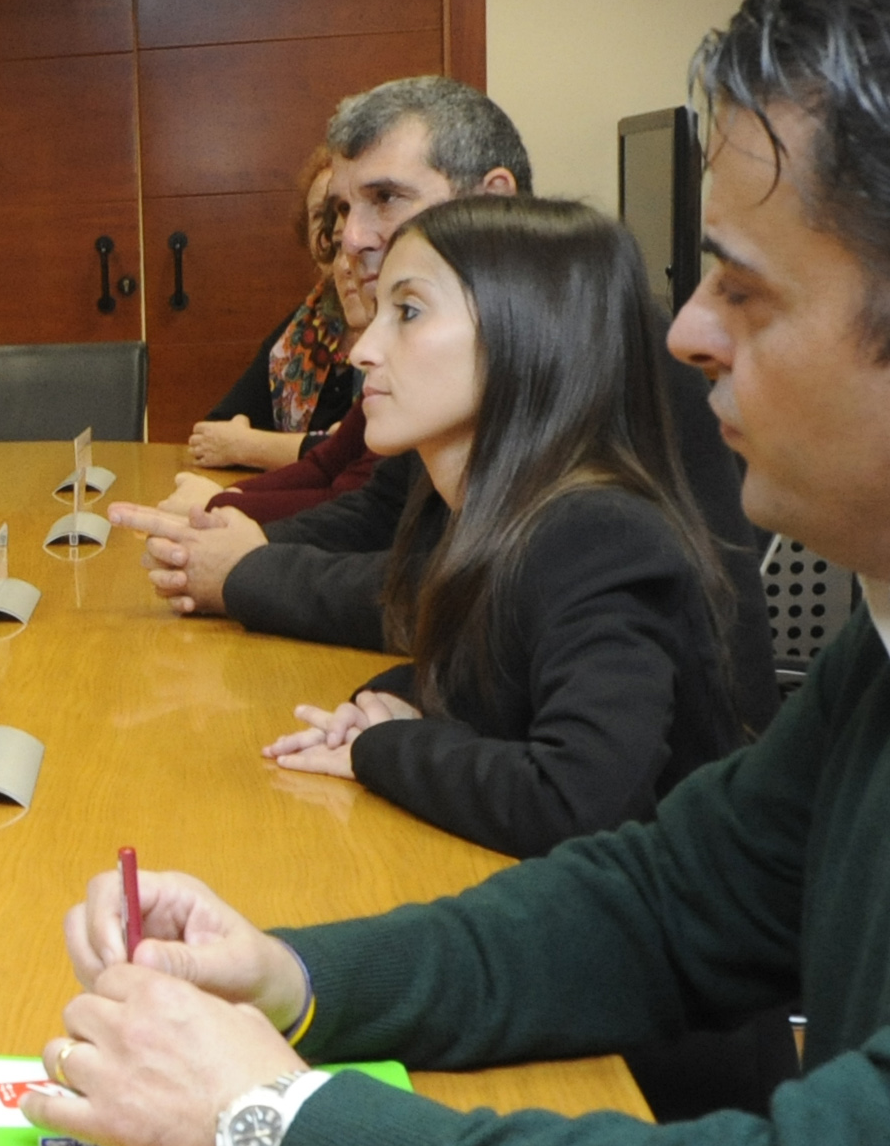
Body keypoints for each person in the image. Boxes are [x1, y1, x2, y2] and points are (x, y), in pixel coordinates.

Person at [17, 0, 890, 1146]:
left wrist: (273, 1127)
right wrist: (294, 979)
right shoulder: (878, 667)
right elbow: (658, 898)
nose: (687, 331)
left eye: (745, 284)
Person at [116, 76, 778, 737]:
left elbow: (449, 587)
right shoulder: (453, 367)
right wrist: (223, 544)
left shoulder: (596, 349)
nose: (352, 237)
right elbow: (383, 515)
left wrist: (248, 570)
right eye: (343, 209)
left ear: (492, 199)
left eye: (386, 199)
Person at [257, 195, 740, 859]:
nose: (362, 350)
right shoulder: (491, 510)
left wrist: (385, 747)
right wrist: (398, 701)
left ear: (525, 335)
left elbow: (577, 798)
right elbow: (500, 691)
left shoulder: (600, 534)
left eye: (408, 312)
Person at [164, 190, 384, 524]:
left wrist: (239, 466)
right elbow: (328, 462)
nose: (344, 260)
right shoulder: (304, 325)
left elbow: (358, 501)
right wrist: (226, 497)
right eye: (338, 241)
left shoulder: (398, 357)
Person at [186, 148, 364, 471]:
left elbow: (356, 456)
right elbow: (215, 430)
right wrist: (246, 444)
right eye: (321, 216)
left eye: (345, 211)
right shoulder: (305, 326)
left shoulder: (399, 329)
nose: (333, 230)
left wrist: (248, 446)